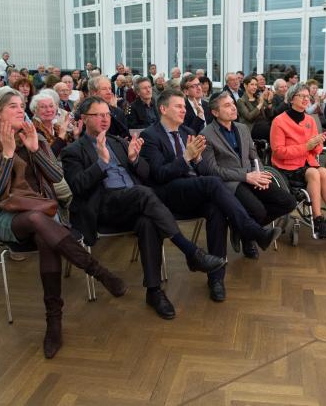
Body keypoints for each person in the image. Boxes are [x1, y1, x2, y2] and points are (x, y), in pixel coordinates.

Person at [0, 88, 125, 359]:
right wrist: (7, 154)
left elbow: (56, 176)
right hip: (7, 217)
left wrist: (35, 151)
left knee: (45, 233)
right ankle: (98, 271)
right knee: (42, 222)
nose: (19, 110)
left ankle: (54, 322)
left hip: (44, 213)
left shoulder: (34, 138)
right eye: (13, 106)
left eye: (21, 105)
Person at [61, 97, 225, 319]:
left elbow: (147, 175)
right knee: (144, 194)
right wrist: (101, 162)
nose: (105, 119)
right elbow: (79, 187)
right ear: (84, 118)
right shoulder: (73, 151)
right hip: (103, 207)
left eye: (107, 114)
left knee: (148, 221)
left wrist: (134, 159)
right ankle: (190, 251)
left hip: (132, 203)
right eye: (98, 115)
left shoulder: (118, 142)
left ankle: (154, 291)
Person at [140, 89, 282, 302]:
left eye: (183, 106)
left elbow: (201, 169)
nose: (183, 109)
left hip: (193, 188)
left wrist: (196, 160)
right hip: (168, 193)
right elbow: (159, 175)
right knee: (214, 182)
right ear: (163, 109)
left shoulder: (186, 130)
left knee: (216, 210)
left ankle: (216, 278)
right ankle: (250, 230)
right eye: (178, 106)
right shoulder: (150, 136)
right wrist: (187, 157)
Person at [202, 92, 296, 259]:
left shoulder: (242, 128)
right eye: (227, 105)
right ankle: (249, 235)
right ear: (215, 113)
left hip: (252, 175)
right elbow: (212, 170)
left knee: (288, 202)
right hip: (230, 183)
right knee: (258, 210)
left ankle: (242, 230)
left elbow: (254, 156)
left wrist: (259, 173)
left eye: (232, 104)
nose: (233, 108)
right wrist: (246, 176)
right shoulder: (206, 134)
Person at [270, 84, 326, 239]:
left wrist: (317, 144)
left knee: (322, 170)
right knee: (314, 173)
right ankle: (318, 220)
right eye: (301, 96)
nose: (305, 99)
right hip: (287, 168)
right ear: (291, 99)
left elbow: (316, 151)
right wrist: (306, 146)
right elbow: (279, 152)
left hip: (308, 164)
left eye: (307, 96)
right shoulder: (279, 121)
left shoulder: (309, 120)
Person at [31, 91, 78, 157]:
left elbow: (68, 150)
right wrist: (61, 136)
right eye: (43, 107)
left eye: (51, 106)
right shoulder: (33, 131)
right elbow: (48, 157)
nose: (48, 110)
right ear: (35, 110)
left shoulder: (56, 127)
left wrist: (76, 136)